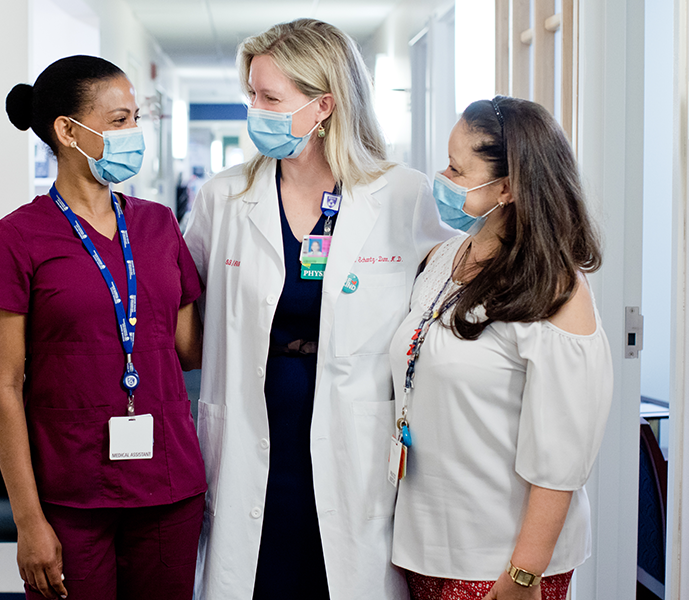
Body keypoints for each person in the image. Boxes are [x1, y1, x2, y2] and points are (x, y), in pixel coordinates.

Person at [183, 18, 454, 600]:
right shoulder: (224, 197)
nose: (254, 109)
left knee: (338, 576)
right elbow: (184, 304)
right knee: (258, 577)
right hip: (252, 431)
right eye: (250, 95)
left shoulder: (400, 193)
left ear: (324, 105)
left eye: (270, 98)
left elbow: (443, 307)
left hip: (355, 438)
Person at [0, 55, 205, 600]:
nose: (134, 134)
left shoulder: (158, 225)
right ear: (68, 130)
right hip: (70, 497)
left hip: (167, 488)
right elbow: (4, 389)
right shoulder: (13, 239)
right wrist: (29, 522)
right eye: (120, 120)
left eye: (135, 119)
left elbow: (188, 349)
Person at [388, 96, 614, 600]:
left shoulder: (555, 290)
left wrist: (523, 574)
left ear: (507, 188)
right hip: (424, 546)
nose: (440, 179)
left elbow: (563, 457)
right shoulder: (448, 256)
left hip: (499, 563)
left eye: (456, 169)